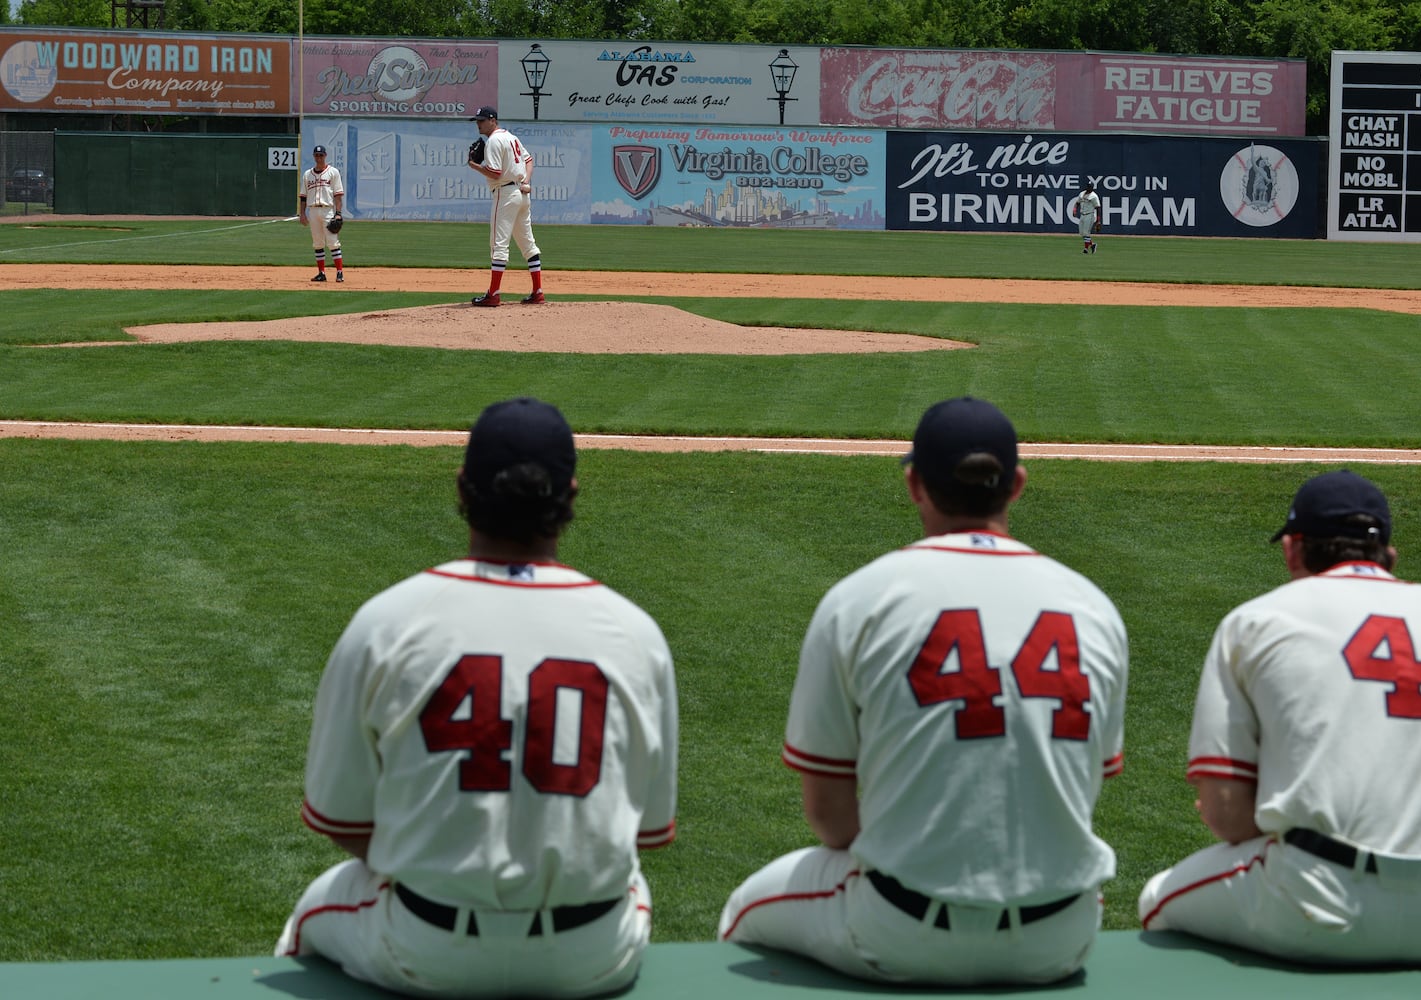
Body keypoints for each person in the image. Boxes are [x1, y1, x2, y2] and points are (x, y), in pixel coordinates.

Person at [717, 396, 1129, 986]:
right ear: (1015, 485)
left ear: (914, 483)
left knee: (741, 916)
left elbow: (829, 815)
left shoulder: (860, 599)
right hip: (1061, 934)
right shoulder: (1093, 607)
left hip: (904, 931)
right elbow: (1086, 786)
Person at [275, 397, 678, 998]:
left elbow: (342, 821)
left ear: (463, 488)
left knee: (308, 921)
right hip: (591, 953)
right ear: (570, 491)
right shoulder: (634, 631)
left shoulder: (388, 621)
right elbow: (644, 831)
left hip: (427, 947)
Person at [1139, 469, 1421, 965]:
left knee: (1157, 900)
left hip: (1321, 907)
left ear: (1293, 548)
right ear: (1388, 554)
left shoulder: (1257, 622)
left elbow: (1226, 815)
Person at [467, 106, 543, 306]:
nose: (478, 123)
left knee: (499, 245)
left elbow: (495, 173)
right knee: (528, 244)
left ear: (493, 120)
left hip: (506, 193)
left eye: (482, 120)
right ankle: (538, 291)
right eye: (477, 120)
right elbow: (528, 159)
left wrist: (474, 166)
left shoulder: (493, 140)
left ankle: (493, 294)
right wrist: (526, 181)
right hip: (521, 194)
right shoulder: (511, 137)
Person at [298, 144, 345, 282]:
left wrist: (338, 213)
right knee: (317, 243)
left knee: (332, 242)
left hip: (328, 210)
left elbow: (338, 195)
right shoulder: (307, 174)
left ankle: (340, 272)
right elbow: (303, 197)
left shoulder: (333, 172)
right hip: (312, 210)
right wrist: (302, 213)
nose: (319, 158)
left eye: (321, 155)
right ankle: (321, 273)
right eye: (316, 155)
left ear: (325, 156)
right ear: (314, 156)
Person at [1076, 181, 1101, 254]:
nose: (1088, 187)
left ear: (1092, 188)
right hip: (1082, 215)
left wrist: (1098, 220)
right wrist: (1074, 210)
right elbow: (1077, 203)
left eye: (1090, 186)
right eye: (1088, 186)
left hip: (1090, 215)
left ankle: (1086, 249)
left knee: (1086, 233)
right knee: (1082, 233)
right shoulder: (1082, 193)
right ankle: (1092, 245)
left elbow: (1098, 208)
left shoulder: (1094, 196)